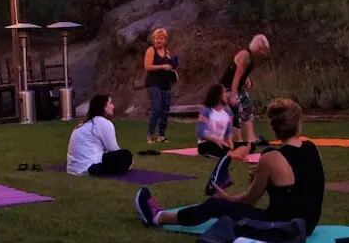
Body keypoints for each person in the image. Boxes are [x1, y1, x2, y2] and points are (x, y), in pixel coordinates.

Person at [135, 98, 326, 235]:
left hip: (283, 227)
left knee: (215, 206)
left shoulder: (270, 159)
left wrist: (227, 198)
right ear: (298, 124)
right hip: (308, 224)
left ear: (273, 127)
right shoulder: (311, 147)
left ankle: (158, 217)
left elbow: (248, 201)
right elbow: (303, 184)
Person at [218, 34, 270, 145]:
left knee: (248, 107)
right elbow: (236, 76)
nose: (263, 53)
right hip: (227, 87)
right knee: (236, 109)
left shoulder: (251, 57)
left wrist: (247, 78)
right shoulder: (245, 55)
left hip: (237, 87)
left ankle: (251, 138)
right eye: (263, 49)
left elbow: (241, 71)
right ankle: (237, 140)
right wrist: (233, 95)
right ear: (259, 47)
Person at [67, 94, 133, 176]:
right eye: (110, 103)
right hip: (89, 166)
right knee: (125, 155)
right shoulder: (103, 123)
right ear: (103, 107)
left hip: (73, 168)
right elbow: (113, 149)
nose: (113, 106)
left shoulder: (85, 123)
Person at [197, 84, 252, 161]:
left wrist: (229, 141)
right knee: (217, 147)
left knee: (247, 145)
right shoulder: (206, 111)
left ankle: (233, 154)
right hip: (207, 143)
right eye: (225, 92)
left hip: (222, 143)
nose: (227, 94)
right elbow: (201, 133)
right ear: (218, 96)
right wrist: (217, 141)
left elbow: (229, 131)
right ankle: (235, 155)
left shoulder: (228, 112)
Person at [144, 28, 177, 144]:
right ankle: (150, 135)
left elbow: (171, 66)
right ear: (153, 39)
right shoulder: (151, 50)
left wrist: (173, 71)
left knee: (165, 110)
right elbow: (147, 66)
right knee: (157, 108)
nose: (159, 40)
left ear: (165, 40)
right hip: (153, 83)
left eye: (161, 38)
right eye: (157, 38)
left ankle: (161, 136)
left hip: (166, 83)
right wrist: (162, 66)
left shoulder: (167, 52)